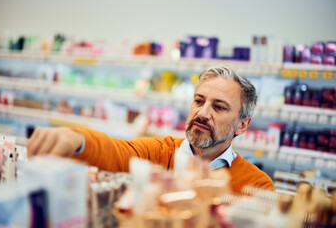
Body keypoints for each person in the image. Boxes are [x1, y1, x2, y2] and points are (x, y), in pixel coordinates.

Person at [27, 66, 274, 193]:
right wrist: (76, 137)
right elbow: (116, 151)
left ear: (242, 124)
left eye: (218, 107)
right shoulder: (161, 152)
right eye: (199, 101)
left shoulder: (257, 185)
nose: (202, 113)